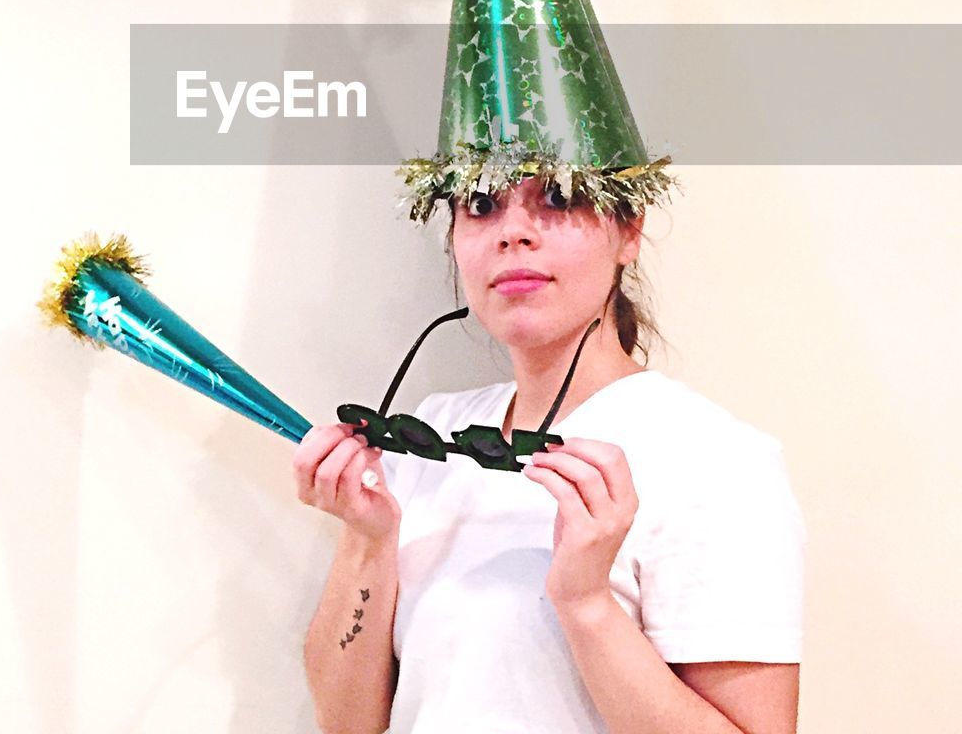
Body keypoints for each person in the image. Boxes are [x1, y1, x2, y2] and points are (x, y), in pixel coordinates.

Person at [293, 177, 806, 734]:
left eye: (559, 197)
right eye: (482, 205)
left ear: (628, 229)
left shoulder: (716, 460)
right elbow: (346, 724)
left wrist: (585, 603)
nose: (513, 233)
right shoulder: (431, 432)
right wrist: (368, 541)